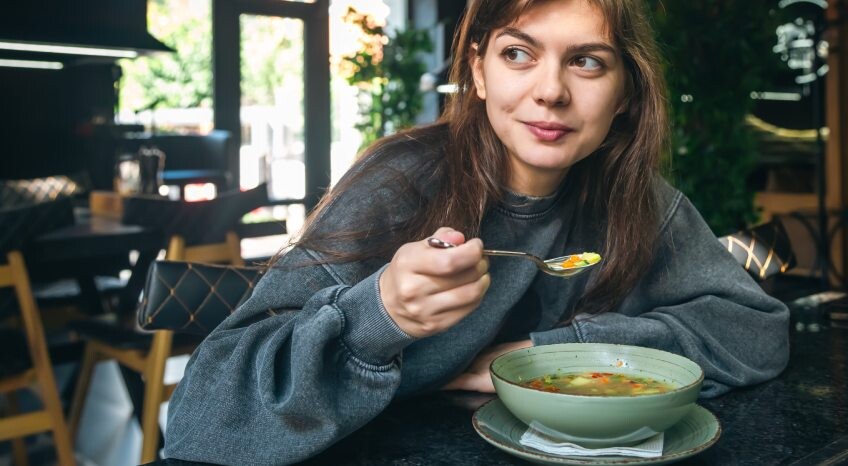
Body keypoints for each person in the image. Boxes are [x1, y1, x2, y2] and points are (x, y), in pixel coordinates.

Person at [164, 0, 789, 464]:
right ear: (480, 71)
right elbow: (202, 416)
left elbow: (756, 330)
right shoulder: (400, 182)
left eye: (588, 62)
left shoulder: (637, 200)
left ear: (625, 92)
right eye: (518, 53)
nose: (550, 91)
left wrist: (551, 356)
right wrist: (378, 315)